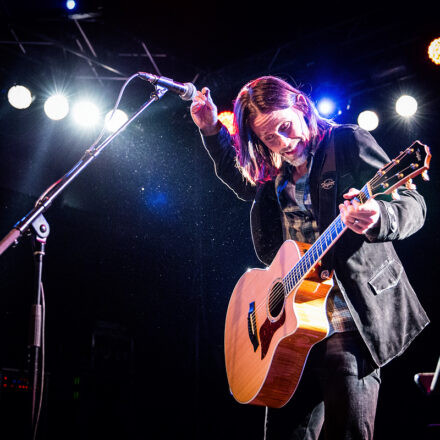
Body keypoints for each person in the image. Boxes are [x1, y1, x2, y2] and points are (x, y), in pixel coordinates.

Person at [190, 76, 429, 439]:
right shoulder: (272, 169)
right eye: (271, 137)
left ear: (301, 106)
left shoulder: (346, 141)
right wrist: (210, 130)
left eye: (286, 127)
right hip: (289, 322)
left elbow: (413, 204)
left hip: (347, 315)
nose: (284, 143)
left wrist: (379, 216)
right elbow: (239, 175)